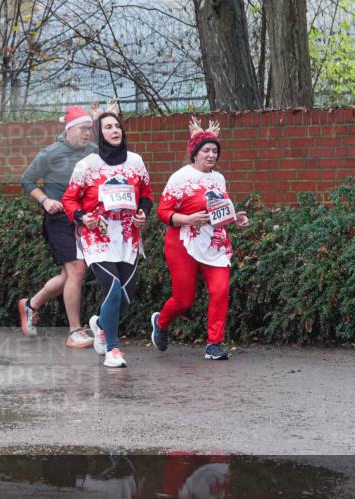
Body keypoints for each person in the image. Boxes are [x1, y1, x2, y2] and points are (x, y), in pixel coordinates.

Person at [151, 118, 250, 360]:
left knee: (220, 291)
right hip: (183, 243)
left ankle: (213, 343)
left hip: (214, 244)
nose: (211, 155)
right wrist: (187, 219)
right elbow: (163, 212)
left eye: (215, 151)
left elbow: (220, 211)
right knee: (184, 300)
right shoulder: (180, 178)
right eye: (206, 150)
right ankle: (161, 322)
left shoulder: (218, 179)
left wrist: (235, 218)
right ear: (194, 153)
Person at [61, 111, 153, 368]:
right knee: (112, 290)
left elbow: (146, 194)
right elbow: (69, 199)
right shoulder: (88, 165)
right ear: (99, 133)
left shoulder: (135, 161)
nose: (115, 131)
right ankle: (113, 349)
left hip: (127, 237)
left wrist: (143, 213)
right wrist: (82, 217)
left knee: (126, 295)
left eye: (117, 126)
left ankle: (101, 323)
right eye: (108, 127)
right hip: (97, 237)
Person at [17, 106, 96, 349]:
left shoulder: (94, 152)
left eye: (90, 130)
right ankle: (74, 331)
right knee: (77, 271)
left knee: (69, 276)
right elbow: (27, 179)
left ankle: (31, 304)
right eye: (83, 129)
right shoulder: (50, 153)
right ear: (70, 129)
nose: (87, 134)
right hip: (60, 219)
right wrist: (45, 200)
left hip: (85, 219)